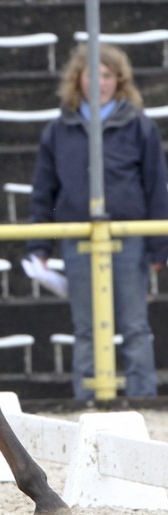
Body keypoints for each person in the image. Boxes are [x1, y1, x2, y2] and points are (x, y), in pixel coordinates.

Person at [27, 43, 168, 401]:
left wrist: (158, 246)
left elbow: (156, 186)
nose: (100, 82)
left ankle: (143, 399)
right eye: (93, 74)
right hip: (79, 239)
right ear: (79, 79)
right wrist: (40, 247)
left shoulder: (140, 126)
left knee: (135, 325)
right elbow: (44, 191)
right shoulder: (59, 130)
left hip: (129, 239)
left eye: (107, 74)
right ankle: (88, 398)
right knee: (86, 327)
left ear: (119, 80)